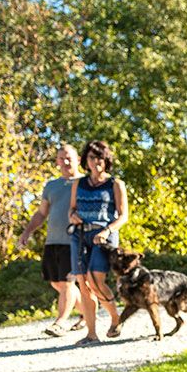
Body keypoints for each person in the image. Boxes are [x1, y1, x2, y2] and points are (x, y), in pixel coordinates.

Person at [14, 143, 81, 336]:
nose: (65, 161)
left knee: (67, 282)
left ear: (77, 159)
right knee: (56, 282)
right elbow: (41, 213)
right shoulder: (51, 186)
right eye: (61, 158)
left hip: (74, 240)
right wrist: (27, 232)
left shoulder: (84, 183)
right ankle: (87, 313)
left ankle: (60, 323)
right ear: (57, 161)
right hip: (53, 241)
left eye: (69, 157)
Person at [65, 141, 128, 345]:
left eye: (100, 157)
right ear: (86, 161)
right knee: (83, 284)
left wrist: (107, 230)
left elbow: (123, 216)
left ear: (106, 159)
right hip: (80, 236)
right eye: (92, 157)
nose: (96, 161)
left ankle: (116, 317)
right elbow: (71, 210)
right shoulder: (79, 183)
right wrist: (73, 216)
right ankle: (91, 334)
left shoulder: (115, 184)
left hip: (103, 237)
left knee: (96, 280)